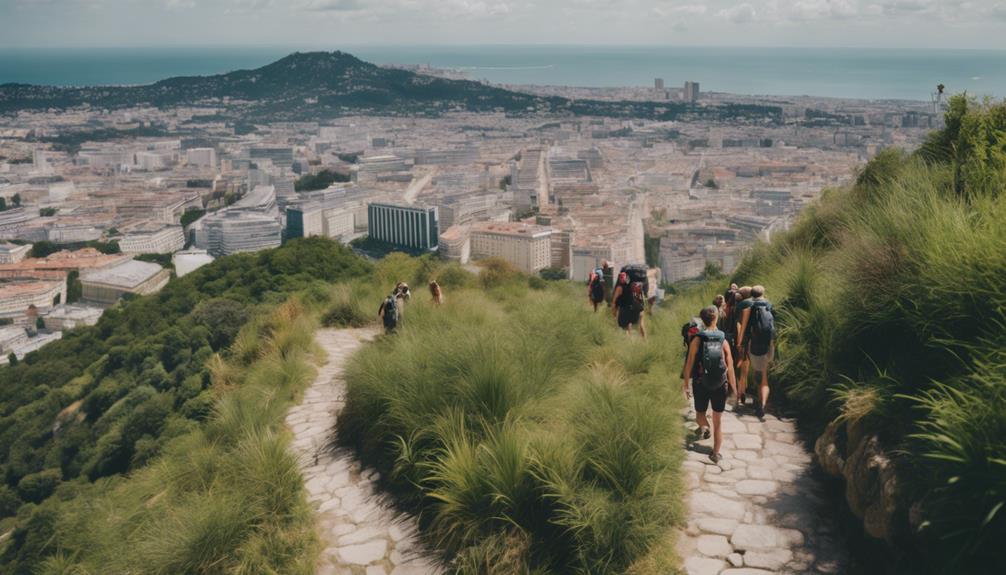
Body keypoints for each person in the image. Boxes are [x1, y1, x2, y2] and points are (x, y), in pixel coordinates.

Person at [682, 305, 738, 464]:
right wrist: (734, 388)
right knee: (718, 421)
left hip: (700, 383)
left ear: (702, 320)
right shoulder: (723, 339)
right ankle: (716, 453)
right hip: (720, 384)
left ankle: (705, 428)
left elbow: (689, 364)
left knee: (700, 414)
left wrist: (686, 384)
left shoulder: (697, 339)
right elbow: (730, 366)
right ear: (715, 319)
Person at [737, 285, 775, 419]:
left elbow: (746, 331)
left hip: (755, 346)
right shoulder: (770, 305)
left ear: (752, 295)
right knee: (764, 375)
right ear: (763, 293)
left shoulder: (750, 308)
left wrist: (742, 346)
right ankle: (762, 403)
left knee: (760, 376)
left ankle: (760, 403)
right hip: (769, 344)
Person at [734, 286, 754, 406]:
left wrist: (739, 341)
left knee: (743, 368)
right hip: (757, 339)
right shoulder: (758, 302)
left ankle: (741, 391)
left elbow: (738, 324)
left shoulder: (741, 305)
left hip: (745, 339)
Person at [611, 271, 646, 338]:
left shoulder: (619, 288)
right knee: (638, 324)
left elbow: (614, 300)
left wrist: (613, 310)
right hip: (635, 307)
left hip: (625, 309)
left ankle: (630, 340)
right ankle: (644, 340)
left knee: (625, 327)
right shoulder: (632, 285)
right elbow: (639, 296)